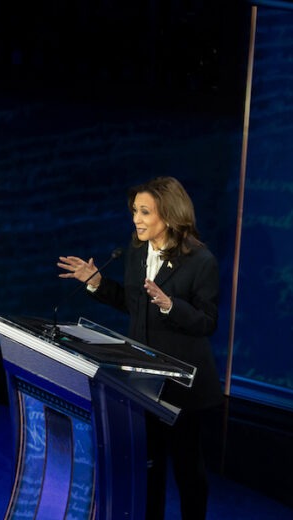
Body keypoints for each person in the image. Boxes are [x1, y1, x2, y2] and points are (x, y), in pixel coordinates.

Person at [56, 176, 223, 520]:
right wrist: (97, 283)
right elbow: (134, 304)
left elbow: (207, 322)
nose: (137, 219)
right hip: (142, 381)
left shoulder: (201, 260)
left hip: (183, 387)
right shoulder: (135, 251)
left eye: (145, 212)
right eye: (135, 211)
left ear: (170, 214)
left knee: (188, 471)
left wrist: (170, 305)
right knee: (149, 466)